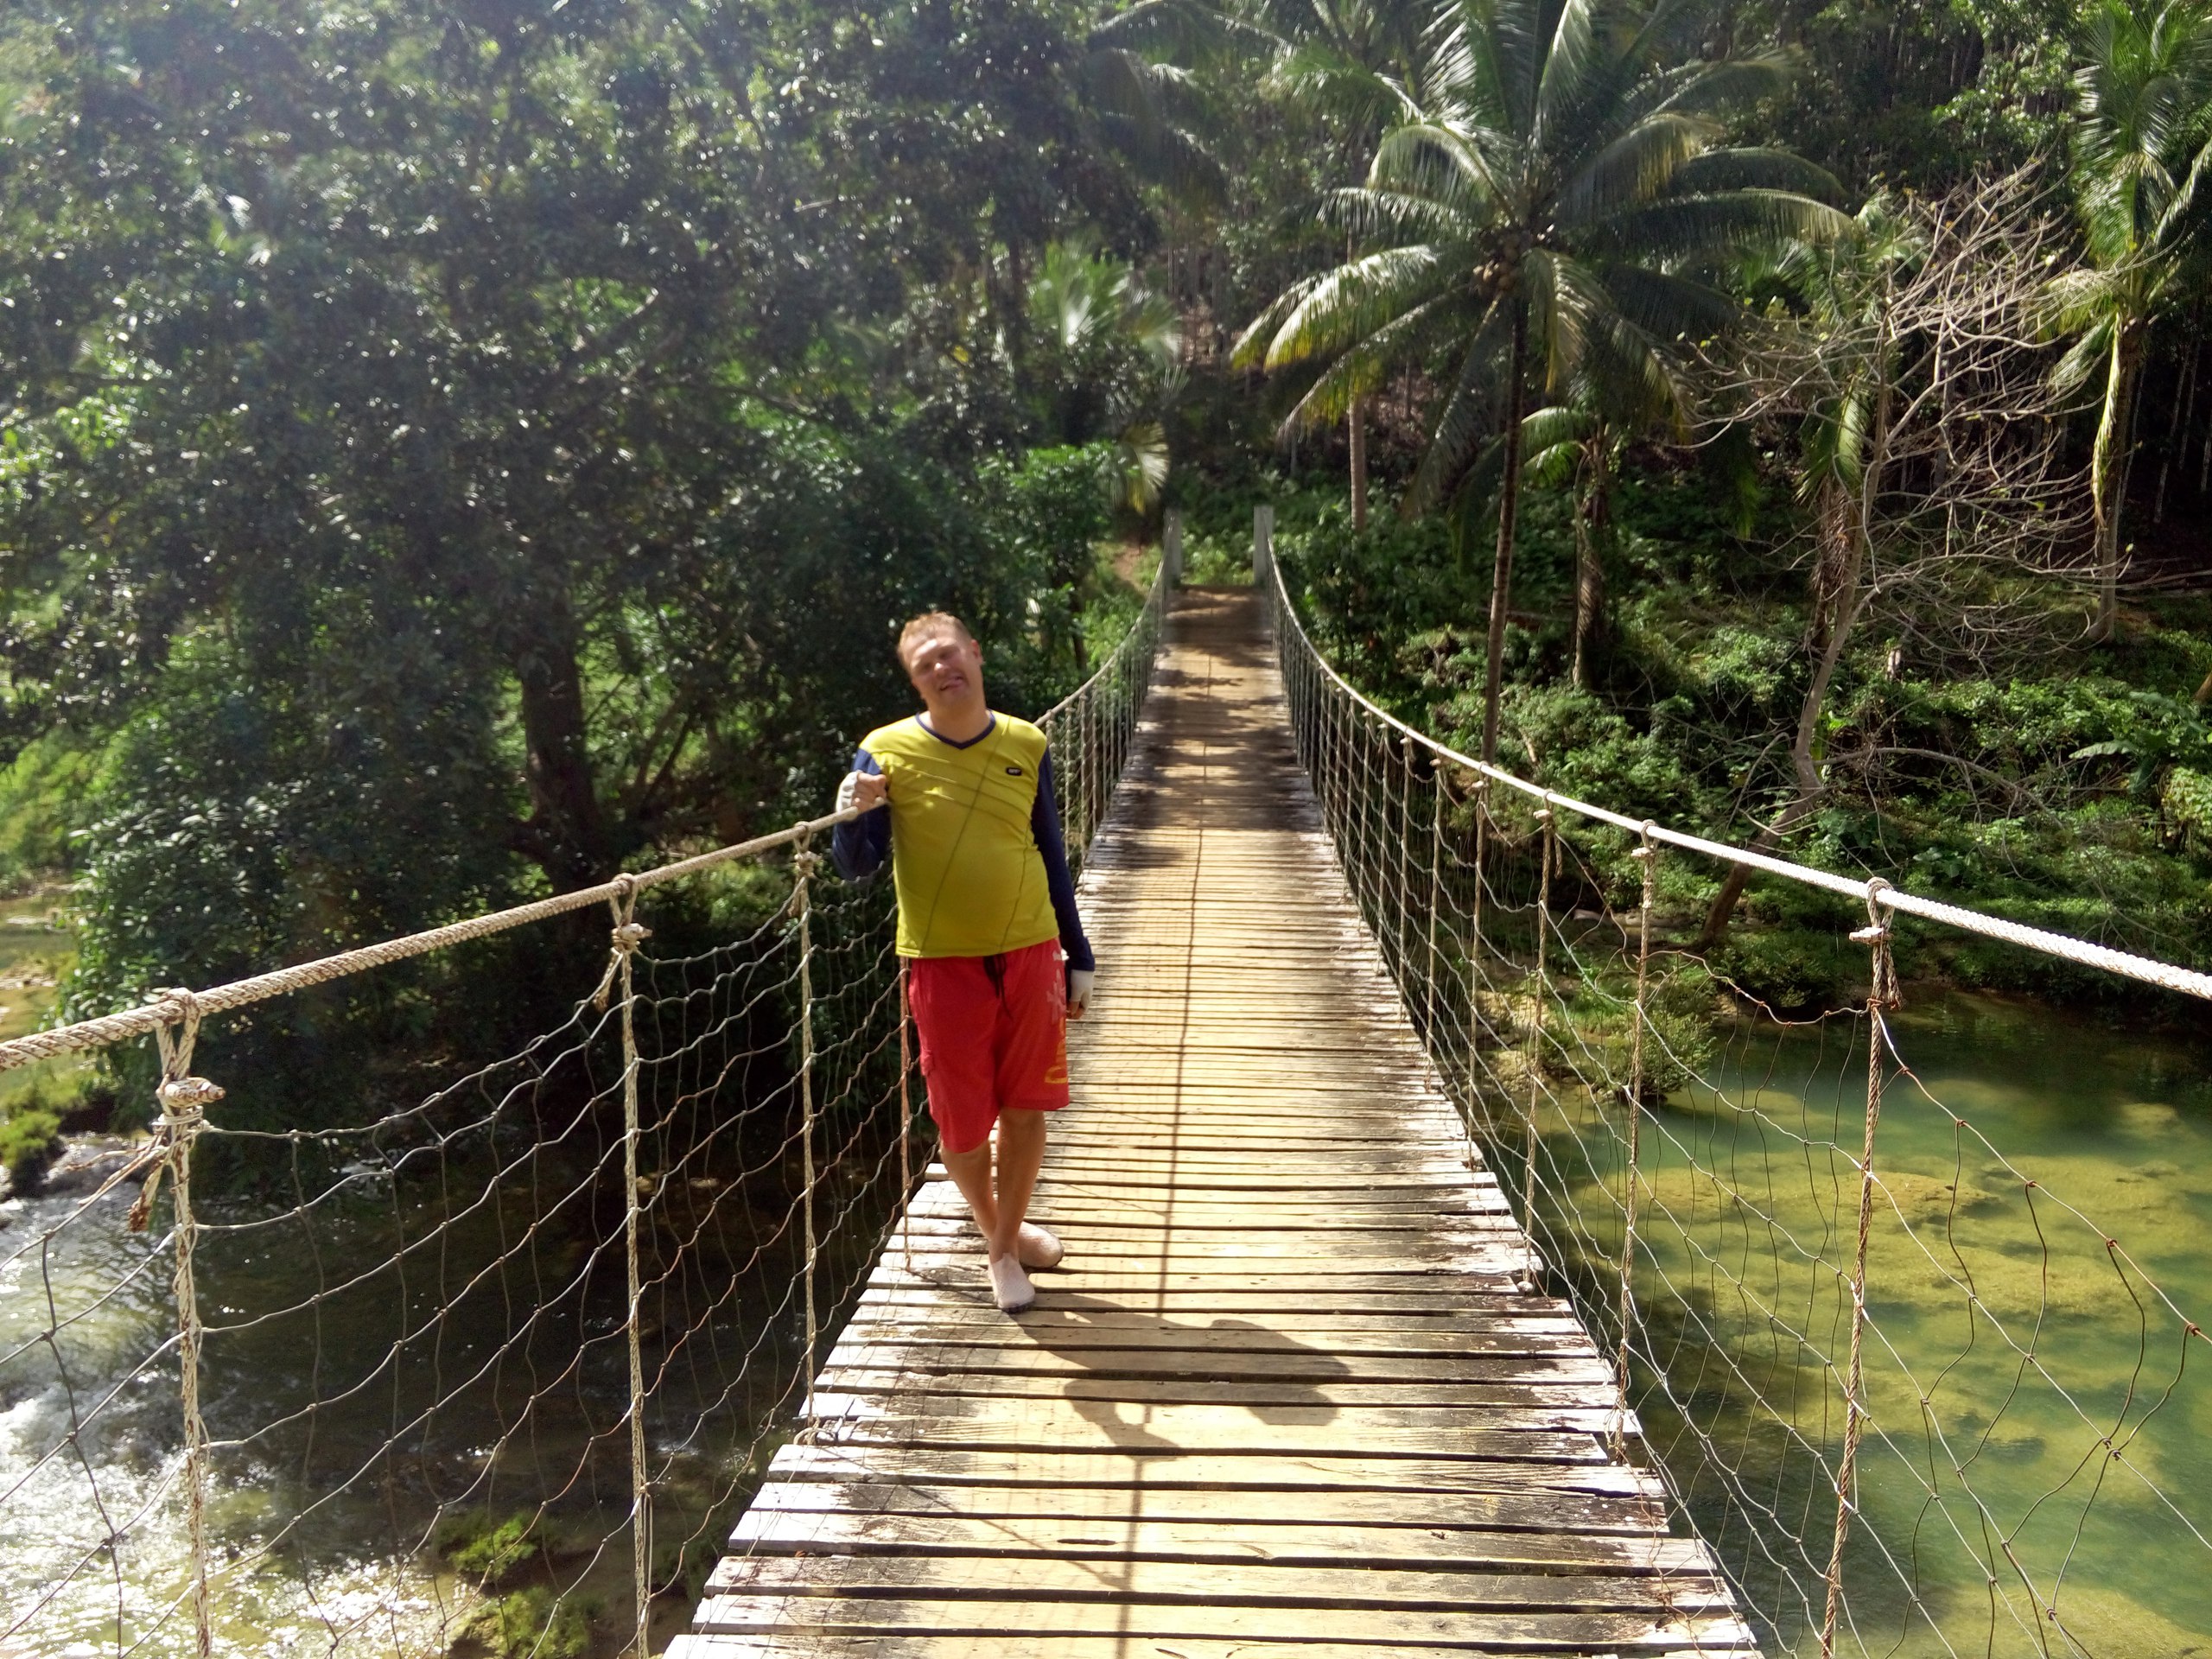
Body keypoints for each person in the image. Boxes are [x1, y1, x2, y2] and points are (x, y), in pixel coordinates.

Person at [830, 612, 1096, 1313]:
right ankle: (1001, 1235)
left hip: (1033, 952)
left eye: (948, 654)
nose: (941, 669)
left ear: (975, 654)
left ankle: (1004, 1249)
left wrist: (1081, 953)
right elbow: (856, 868)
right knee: (961, 1128)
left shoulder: (1026, 742)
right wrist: (851, 815)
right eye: (924, 665)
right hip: (942, 964)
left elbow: (1053, 854)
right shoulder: (882, 751)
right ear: (914, 680)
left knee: (1030, 1108)